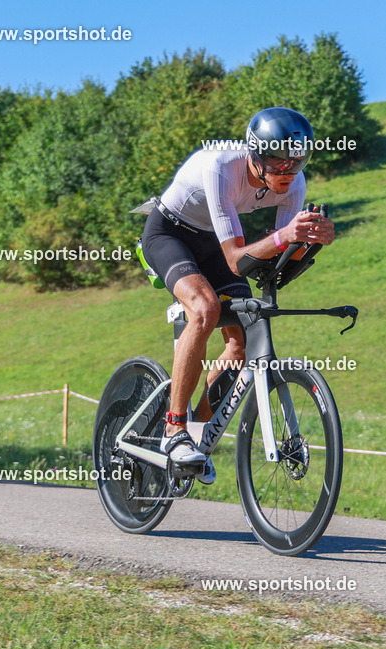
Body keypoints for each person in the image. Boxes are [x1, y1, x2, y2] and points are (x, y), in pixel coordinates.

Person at [139, 107, 335, 485]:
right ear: (255, 155)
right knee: (205, 310)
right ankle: (173, 430)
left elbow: (276, 258)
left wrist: (310, 241)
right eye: (278, 163)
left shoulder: (295, 182)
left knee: (243, 341)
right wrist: (285, 236)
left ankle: (196, 430)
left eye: (296, 162)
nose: (287, 173)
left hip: (215, 242)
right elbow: (235, 257)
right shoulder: (220, 166)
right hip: (170, 234)